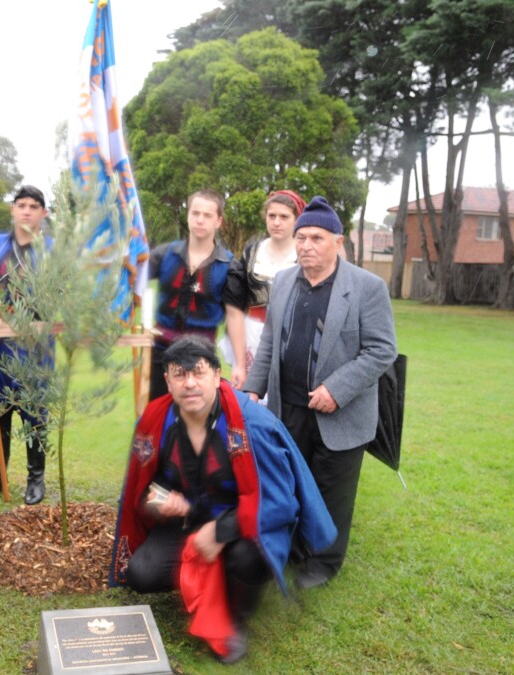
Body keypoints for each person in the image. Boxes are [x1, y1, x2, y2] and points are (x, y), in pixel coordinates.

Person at [110, 336, 335, 664]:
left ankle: (236, 614)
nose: (189, 383)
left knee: (249, 558)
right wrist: (163, 500)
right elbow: (145, 488)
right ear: (167, 381)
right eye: (179, 374)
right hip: (187, 525)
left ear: (218, 375)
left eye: (198, 373)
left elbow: (279, 504)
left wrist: (220, 532)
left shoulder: (253, 425)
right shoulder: (155, 422)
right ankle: (200, 580)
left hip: (243, 528)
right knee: (141, 574)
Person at [244, 196, 397, 589]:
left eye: (316, 237)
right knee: (292, 481)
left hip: (341, 412)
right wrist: (252, 390)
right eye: (301, 237)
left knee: (332, 490)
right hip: (288, 406)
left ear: (337, 242)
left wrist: (336, 388)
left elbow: (382, 350)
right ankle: (294, 547)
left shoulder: (367, 288)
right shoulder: (283, 282)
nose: (306, 245)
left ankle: (324, 561)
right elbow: (268, 345)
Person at [0, 185, 54, 505]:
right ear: (12, 210)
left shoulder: (50, 250)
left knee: (34, 413)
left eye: (33, 206)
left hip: (35, 346)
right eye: (20, 204)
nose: (26, 210)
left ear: (43, 214)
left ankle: (36, 480)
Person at [147, 189, 246, 401]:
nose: (200, 220)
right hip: (160, 352)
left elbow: (234, 315)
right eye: (195, 213)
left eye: (207, 215)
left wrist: (240, 364)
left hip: (201, 356)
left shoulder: (229, 266)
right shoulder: (164, 255)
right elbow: (132, 281)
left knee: (195, 421)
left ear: (218, 221)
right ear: (188, 215)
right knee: (157, 417)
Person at [219, 190, 306, 382]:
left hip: (291, 336)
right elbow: (236, 307)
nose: (276, 222)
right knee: (250, 394)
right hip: (252, 335)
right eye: (271, 215)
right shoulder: (252, 251)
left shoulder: (304, 254)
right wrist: (240, 362)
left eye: (284, 217)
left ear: (297, 219)